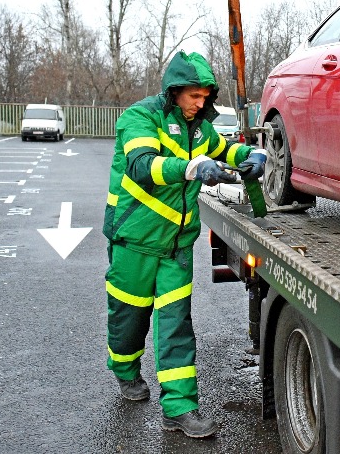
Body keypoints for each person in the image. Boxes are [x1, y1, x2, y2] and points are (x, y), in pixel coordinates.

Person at [103, 51, 267, 438]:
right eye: (194, 95)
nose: (199, 103)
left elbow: (226, 149)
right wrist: (191, 167)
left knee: (176, 325)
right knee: (129, 320)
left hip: (176, 247)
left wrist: (253, 154)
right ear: (174, 91)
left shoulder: (200, 129)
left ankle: (179, 408)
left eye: (205, 96)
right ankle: (125, 370)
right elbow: (142, 166)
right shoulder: (141, 118)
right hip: (135, 242)